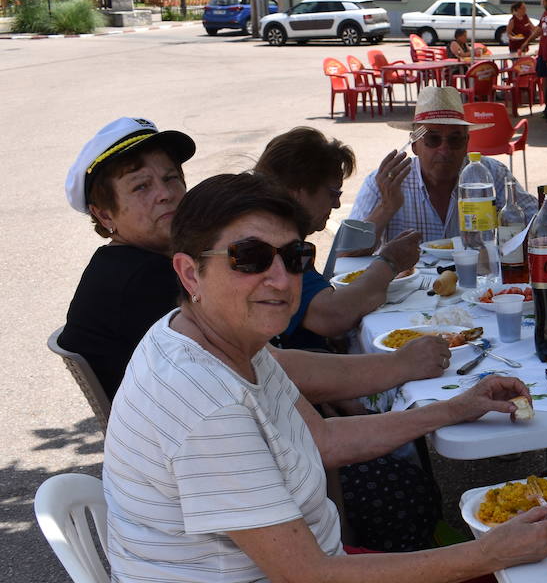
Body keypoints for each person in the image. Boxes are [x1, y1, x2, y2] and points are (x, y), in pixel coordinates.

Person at [101, 171, 547, 583]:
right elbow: (309, 581)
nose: (279, 278)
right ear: (189, 273)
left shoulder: (216, 339)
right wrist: (485, 551)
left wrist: (452, 408)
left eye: (294, 257)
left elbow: (323, 440)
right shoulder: (205, 401)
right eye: (249, 258)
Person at [58, 117, 449, 404]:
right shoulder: (141, 281)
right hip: (205, 470)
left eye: (172, 178)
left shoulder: (141, 263)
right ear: (104, 215)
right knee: (395, 481)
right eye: (141, 186)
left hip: (230, 423)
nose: (165, 194)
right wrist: (399, 367)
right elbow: (268, 370)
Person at [254, 127, 422, 350]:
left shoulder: (273, 232)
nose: (337, 204)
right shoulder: (274, 246)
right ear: (298, 191)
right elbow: (333, 316)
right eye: (333, 193)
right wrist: (389, 264)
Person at [346, 86, 538, 253]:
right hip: (410, 292)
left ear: (467, 144)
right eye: (432, 139)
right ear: (414, 145)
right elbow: (346, 253)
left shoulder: (492, 173)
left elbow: (539, 225)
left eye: (455, 139)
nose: (444, 149)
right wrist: (386, 207)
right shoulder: (385, 182)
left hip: (479, 287)